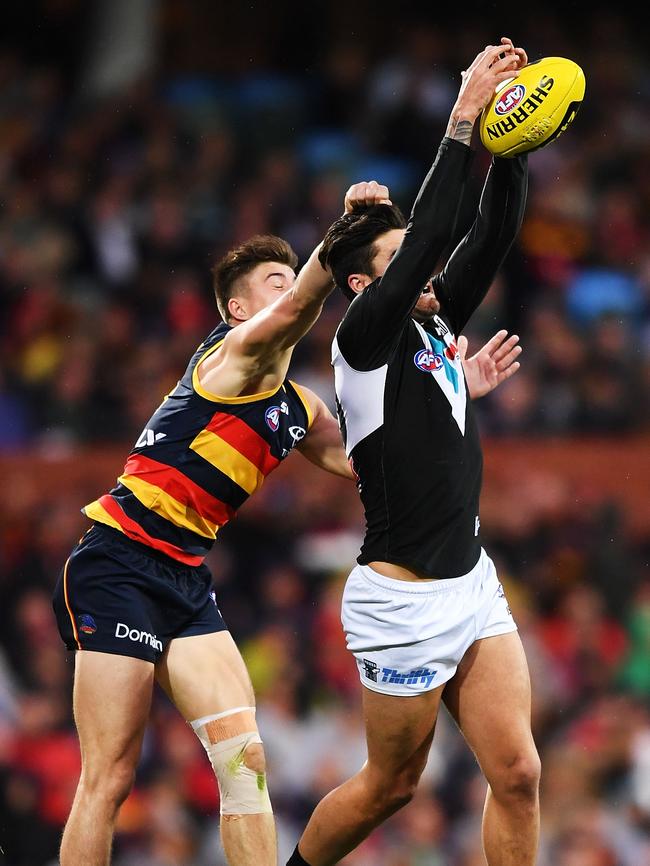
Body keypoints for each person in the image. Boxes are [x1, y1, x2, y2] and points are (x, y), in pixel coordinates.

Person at [52, 128, 522, 866]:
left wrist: (454, 388)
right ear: (238, 311)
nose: (288, 288)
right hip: (116, 562)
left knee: (247, 771)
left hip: (184, 576)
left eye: (287, 275)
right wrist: (341, 239)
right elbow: (305, 302)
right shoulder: (227, 360)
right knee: (109, 777)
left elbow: (379, 462)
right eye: (269, 284)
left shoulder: (298, 404)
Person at [287, 38, 540, 866]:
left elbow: (489, 234)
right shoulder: (361, 338)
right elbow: (434, 233)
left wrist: (513, 144)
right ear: (365, 283)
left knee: (519, 772)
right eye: (400, 264)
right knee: (392, 787)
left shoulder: (431, 320)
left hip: (469, 581)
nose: (424, 273)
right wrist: (463, 115)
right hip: (400, 605)